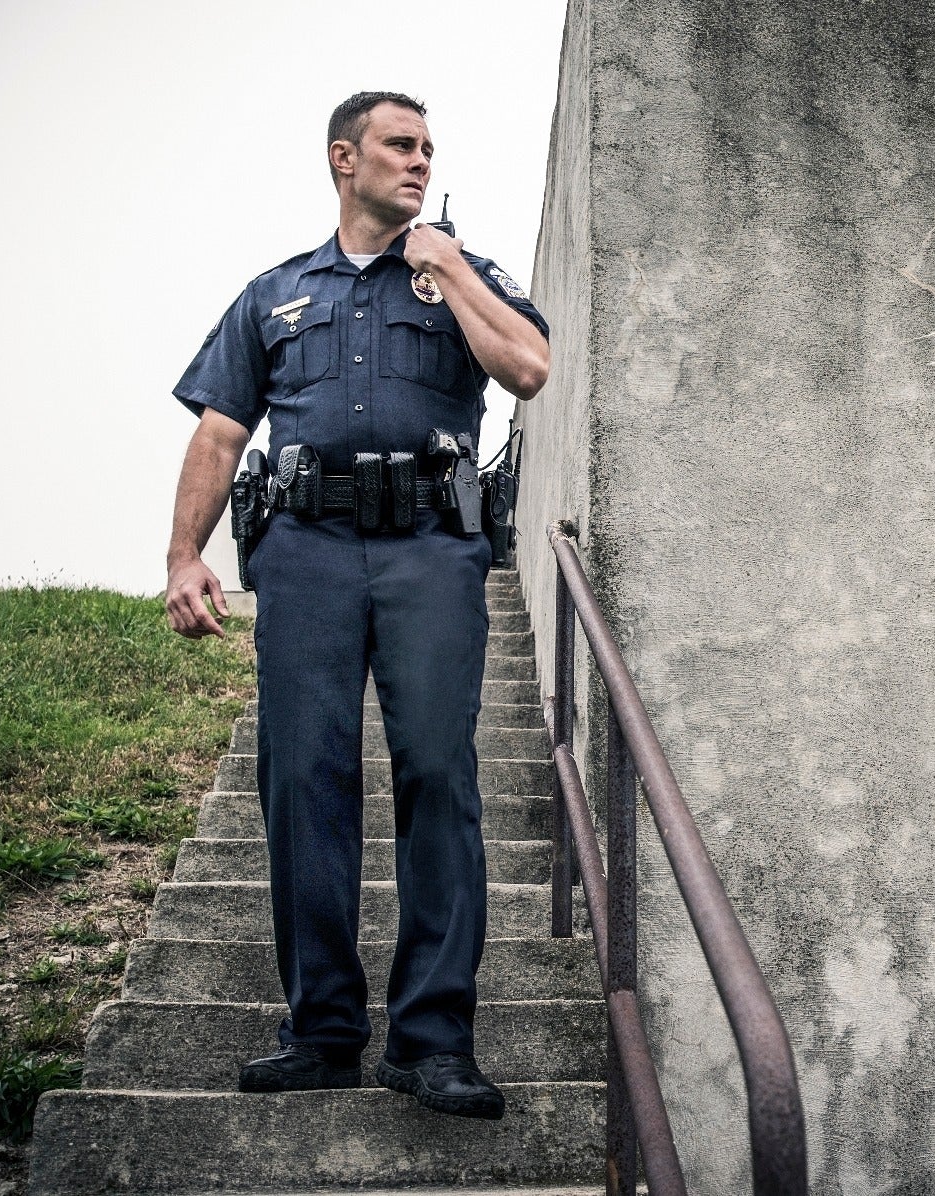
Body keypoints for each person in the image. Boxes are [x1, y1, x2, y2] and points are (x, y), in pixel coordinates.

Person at [162, 91, 549, 1120]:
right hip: (307, 551)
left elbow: (530, 367)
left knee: (437, 769)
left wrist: (452, 266)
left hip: (431, 547)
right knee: (303, 778)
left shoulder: (465, 279)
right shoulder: (275, 295)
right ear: (346, 158)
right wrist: (182, 556)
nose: (420, 161)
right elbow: (218, 432)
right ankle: (323, 1030)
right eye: (400, 145)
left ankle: (431, 1040)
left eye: (430, 148)